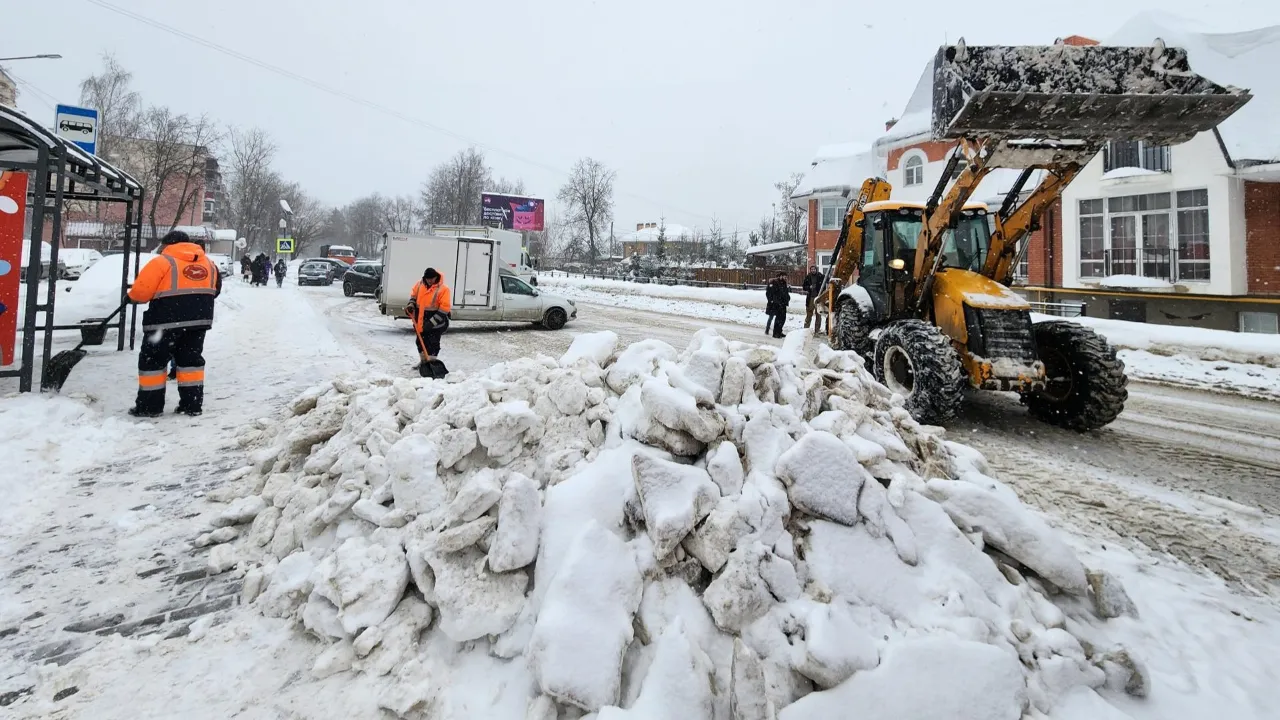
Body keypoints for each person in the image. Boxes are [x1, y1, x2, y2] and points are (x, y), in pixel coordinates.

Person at [126, 230, 221, 418]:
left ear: (168, 244)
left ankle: (149, 407)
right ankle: (191, 405)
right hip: (198, 322)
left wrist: (130, 297)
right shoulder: (209, 264)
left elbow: (141, 292)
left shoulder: (162, 262)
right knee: (190, 363)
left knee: (153, 362)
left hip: (164, 322)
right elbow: (215, 290)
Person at [405, 267, 453, 377]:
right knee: (420, 342)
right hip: (420, 322)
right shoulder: (419, 284)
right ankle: (424, 363)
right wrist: (411, 305)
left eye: (432, 279)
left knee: (433, 344)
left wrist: (431, 323)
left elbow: (444, 309)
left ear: (436, 277)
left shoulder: (443, 289)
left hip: (435, 323)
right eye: (428, 279)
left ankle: (432, 364)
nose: (429, 281)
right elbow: (413, 297)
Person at [764, 272, 790, 339]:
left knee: (783, 319)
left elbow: (785, 292)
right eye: (784, 277)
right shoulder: (774, 282)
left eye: (786, 277)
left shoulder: (784, 283)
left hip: (783, 303)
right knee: (778, 319)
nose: (785, 278)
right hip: (777, 303)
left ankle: (780, 331)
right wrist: (771, 300)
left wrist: (788, 298)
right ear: (781, 276)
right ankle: (775, 333)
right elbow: (768, 292)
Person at [802, 265, 826, 333]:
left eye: (814, 269)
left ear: (816, 269)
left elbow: (826, 282)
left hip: (818, 298)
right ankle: (805, 330)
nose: (813, 270)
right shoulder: (808, 277)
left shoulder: (820, 276)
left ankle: (817, 330)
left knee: (818, 315)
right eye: (812, 269)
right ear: (810, 270)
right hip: (810, 298)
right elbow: (804, 287)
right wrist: (809, 287)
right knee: (809, 314)